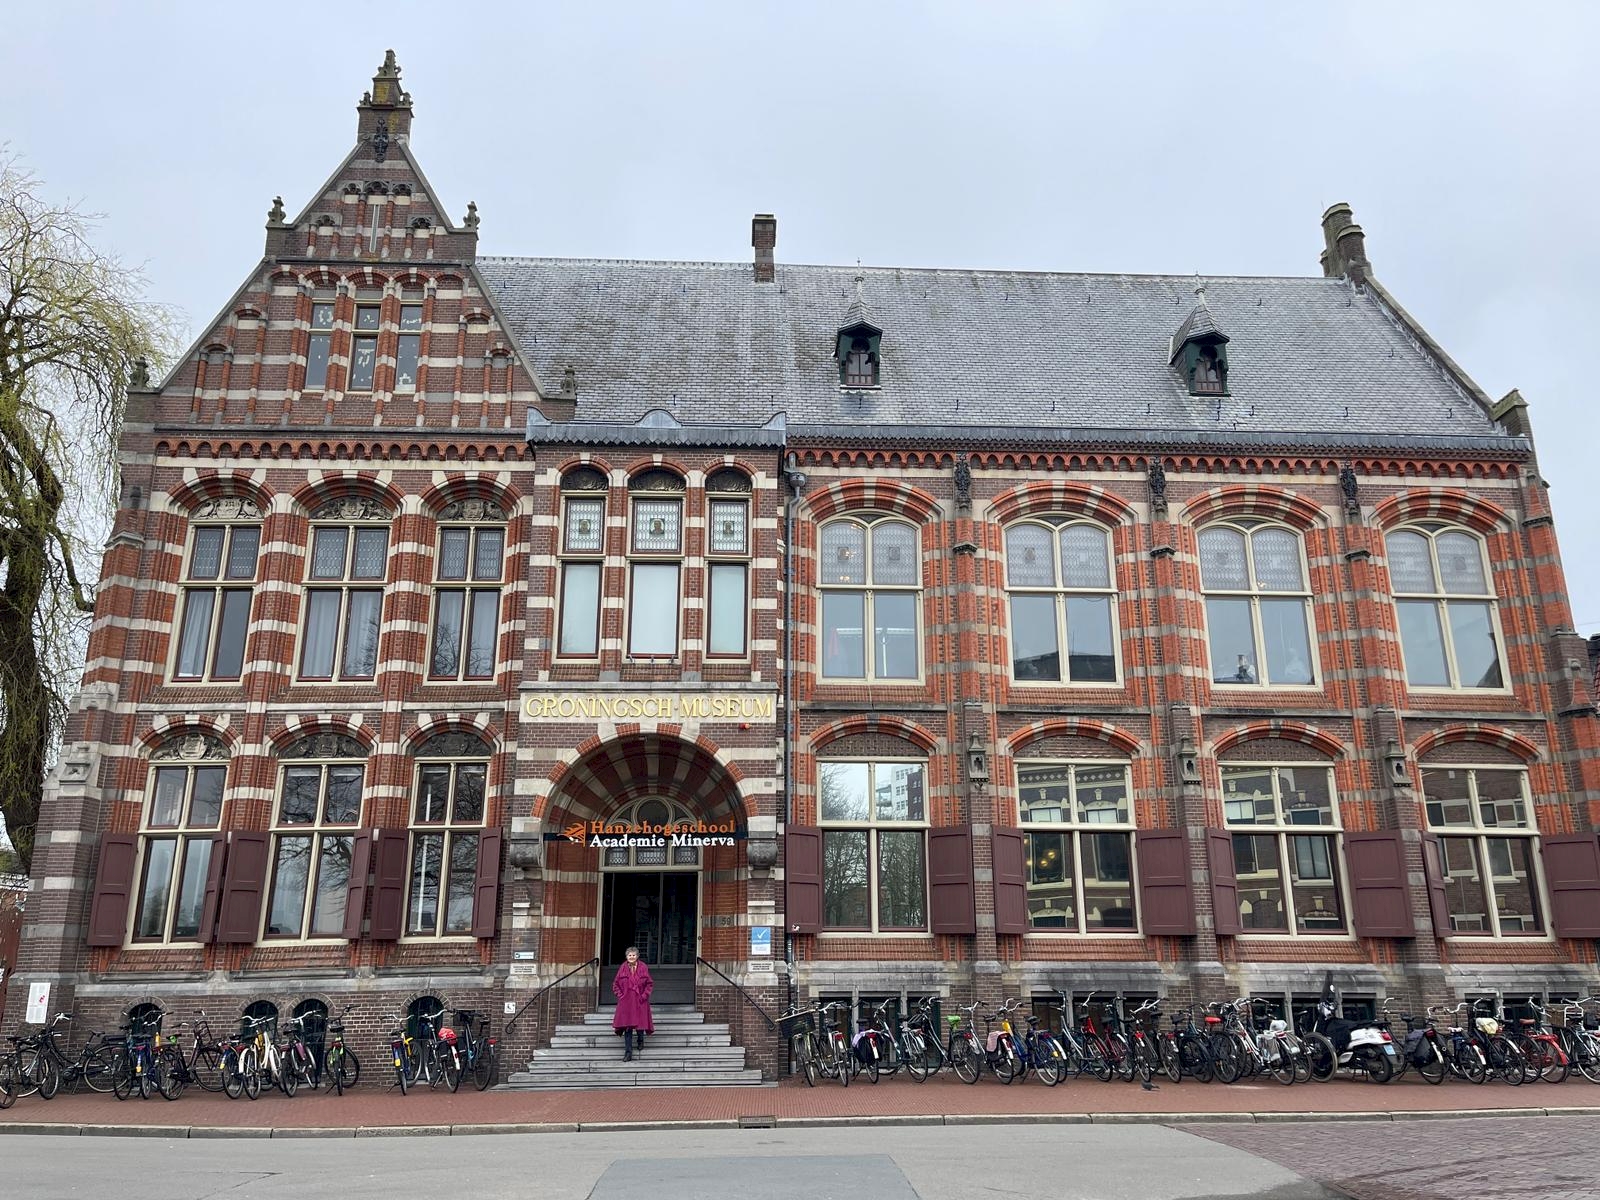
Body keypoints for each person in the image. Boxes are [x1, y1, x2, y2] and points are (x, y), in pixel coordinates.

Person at [612, 945, 654, 1061]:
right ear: (626, 957)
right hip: (626, 1003)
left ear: (637, 956)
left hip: (640, 1001)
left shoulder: (643, 967)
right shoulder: (622, 968)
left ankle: (640, 1040)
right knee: (627, 1028)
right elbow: (615, 985)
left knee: (640, 1024)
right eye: (629, 955)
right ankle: (628, 1052)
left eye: (633, 955)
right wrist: (621, 996)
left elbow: (649, 984)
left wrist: (644, 996)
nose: (631, 957)